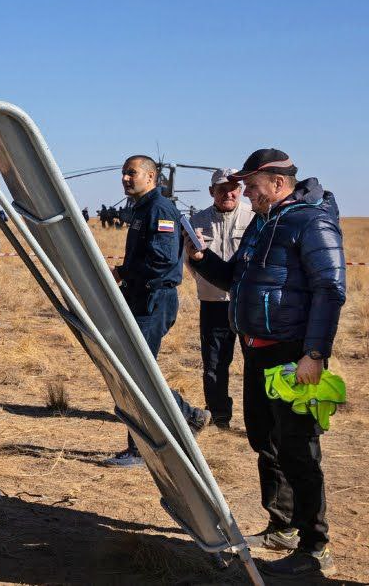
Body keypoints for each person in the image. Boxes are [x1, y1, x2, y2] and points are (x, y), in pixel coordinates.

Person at [189, 149, 345, 576]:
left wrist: (314, 353)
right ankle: (282, 526)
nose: (245, 194)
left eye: (252, 186)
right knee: (265, 439)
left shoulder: (311, 220)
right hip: (256, 349)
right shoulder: (263, 221)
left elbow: (329, 289)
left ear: (277, 183)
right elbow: (237, 278)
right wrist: (202, 261)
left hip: (293, 353)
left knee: (298, 447)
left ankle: (315, 548)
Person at [104, 155, 210, 468]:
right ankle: (177, 421)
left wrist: (127, 271)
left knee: (138, 374)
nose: (125, 178)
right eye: (123, 173)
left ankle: (150, 442)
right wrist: (124, 273)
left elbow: (162, 261)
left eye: (131, 173)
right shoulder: (143, 209)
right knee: (135, 372)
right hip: (139, 297)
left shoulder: (160, 209)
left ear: (150, 176)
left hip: (153, 300)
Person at [188, 169, 255, 429]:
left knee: (254, 363)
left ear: (240, 190)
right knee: (214, 363)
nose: (229, 193)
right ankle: (219, 417)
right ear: (211, 192)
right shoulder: (197, 220)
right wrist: (208, 285)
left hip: (247, 304)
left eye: (233, 188)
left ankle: (256, 418)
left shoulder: (254, 218)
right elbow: (191, 262)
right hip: (213, 303)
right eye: (222, 189)